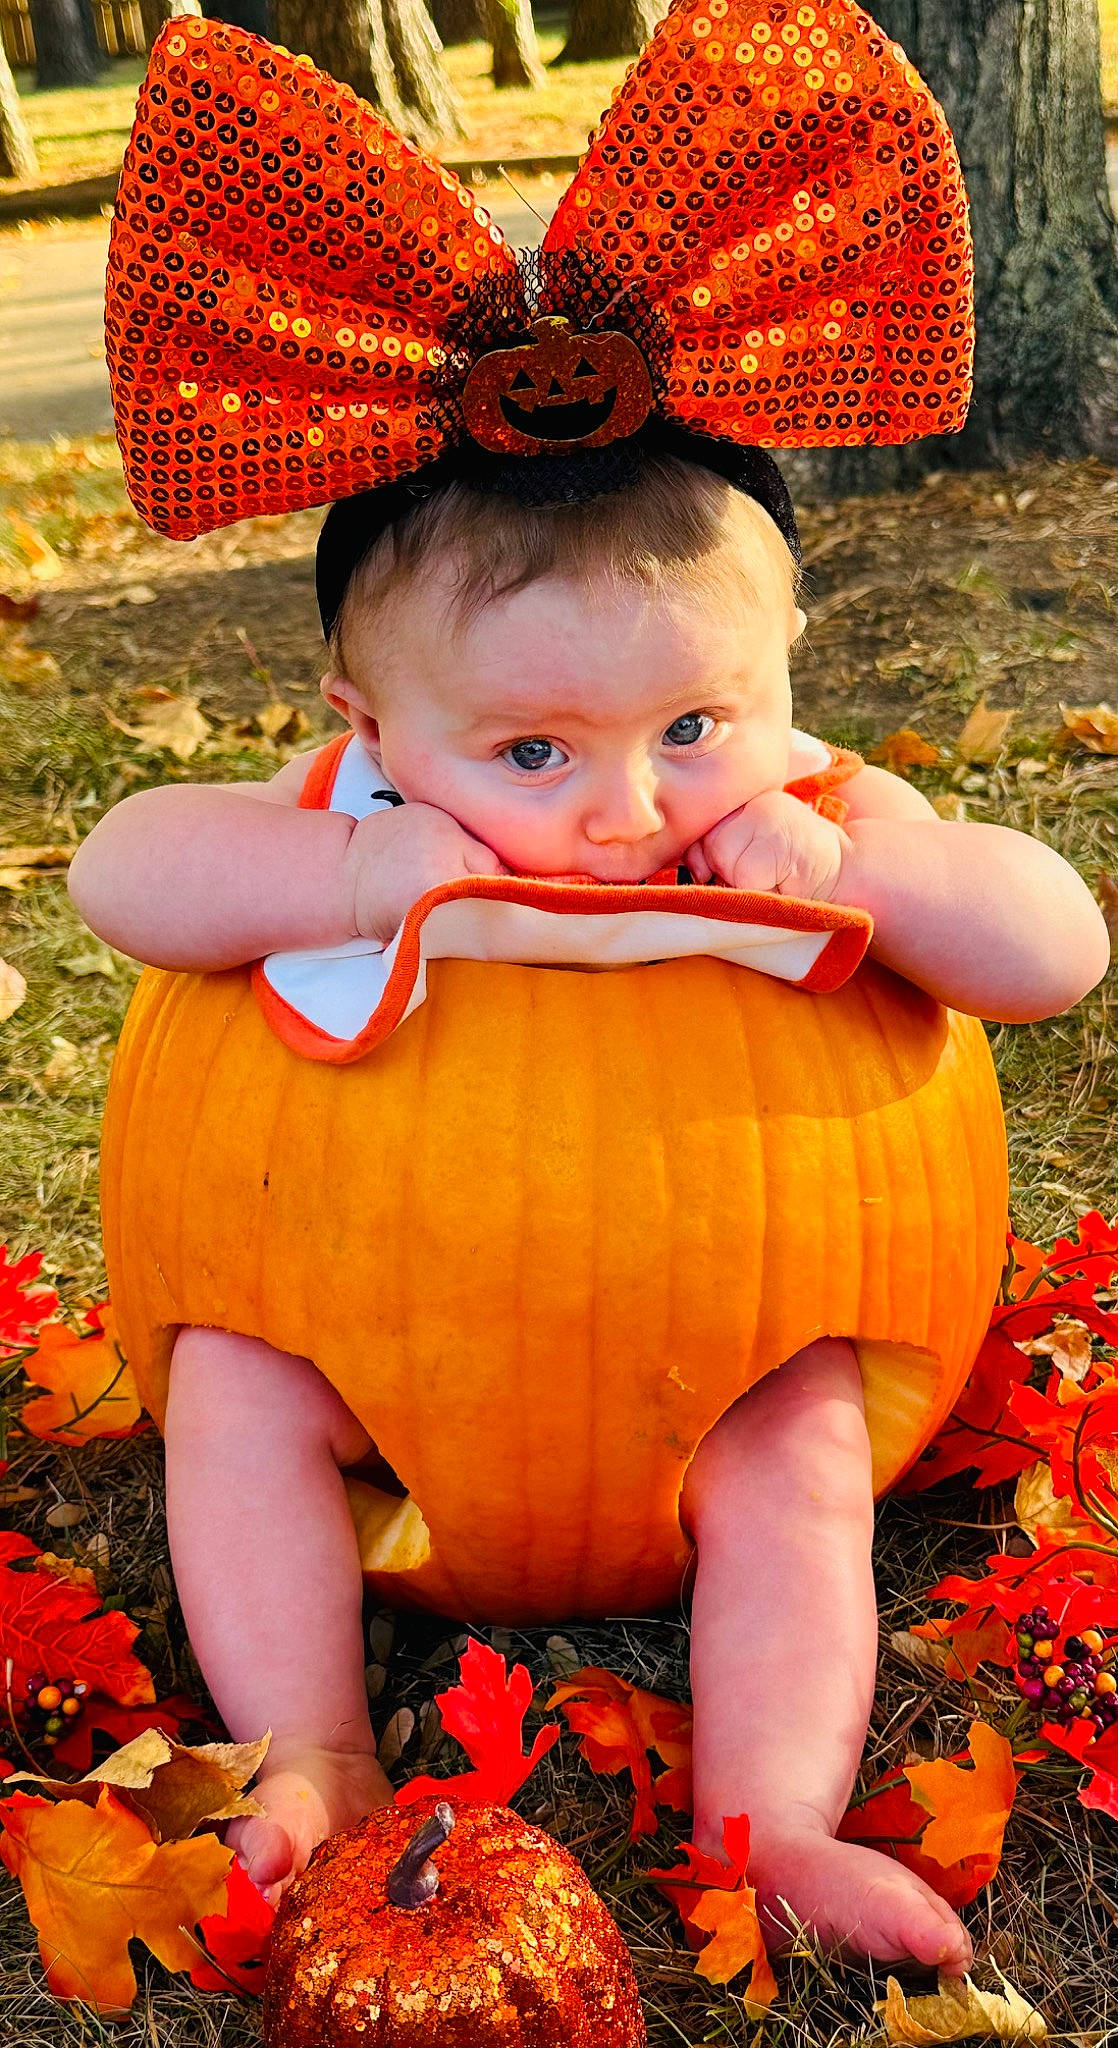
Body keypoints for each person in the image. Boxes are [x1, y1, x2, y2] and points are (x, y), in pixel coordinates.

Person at [79, 0, 1110, 1975]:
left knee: (805, 1436)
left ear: (787, 665)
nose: (628, 809)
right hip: (370, 1360)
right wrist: (348, 865)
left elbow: (1055, 947)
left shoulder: (818, 806)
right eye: (532, 755)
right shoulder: (351, 811)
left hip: (730, 1350)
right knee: (229, 1385)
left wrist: (865, 870)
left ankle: (773, 1810)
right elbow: (129, 867)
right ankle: (308, 1752)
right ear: (371, 717)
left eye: (695, 722)